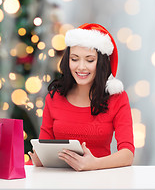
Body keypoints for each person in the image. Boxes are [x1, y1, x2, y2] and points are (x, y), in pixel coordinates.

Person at [28, 23, 134, 171]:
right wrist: (40, 160)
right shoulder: (54, 97)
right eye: (74, 59)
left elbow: (127, 154)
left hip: (99, 180)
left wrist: (93, 164)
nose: (81, 67)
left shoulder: (117, 98)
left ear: (101, 63)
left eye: (89, 60)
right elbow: (44, 145)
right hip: (58, 181)